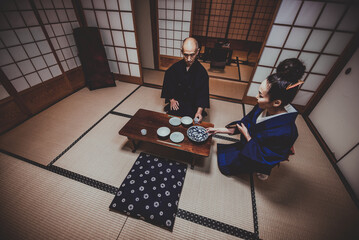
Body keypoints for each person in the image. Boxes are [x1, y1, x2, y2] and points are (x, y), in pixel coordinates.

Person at [207, 58, 306, 180]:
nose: (255, 97)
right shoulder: (262, 107)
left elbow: (269, 156)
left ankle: (263, 170)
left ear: (276, 102)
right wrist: (218, 130)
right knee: (227, 158)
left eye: (260, 95)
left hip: (258, 155)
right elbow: (245, 123)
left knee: (230, 167)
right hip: (250, 146)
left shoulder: (287, 131)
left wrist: (248, 137)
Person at [161, 37, 210, 122]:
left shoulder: (202, 73)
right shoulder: (174, 68)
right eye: (186, 55)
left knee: (191, 121)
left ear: (197, 51)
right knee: (171, 119)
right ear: (181, 51)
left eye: (192, 54)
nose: (189, 59)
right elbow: (168, 85)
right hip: (178, 101)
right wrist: (171, 99)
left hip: (193, 103)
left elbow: (203, 95)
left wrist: (199, 111)